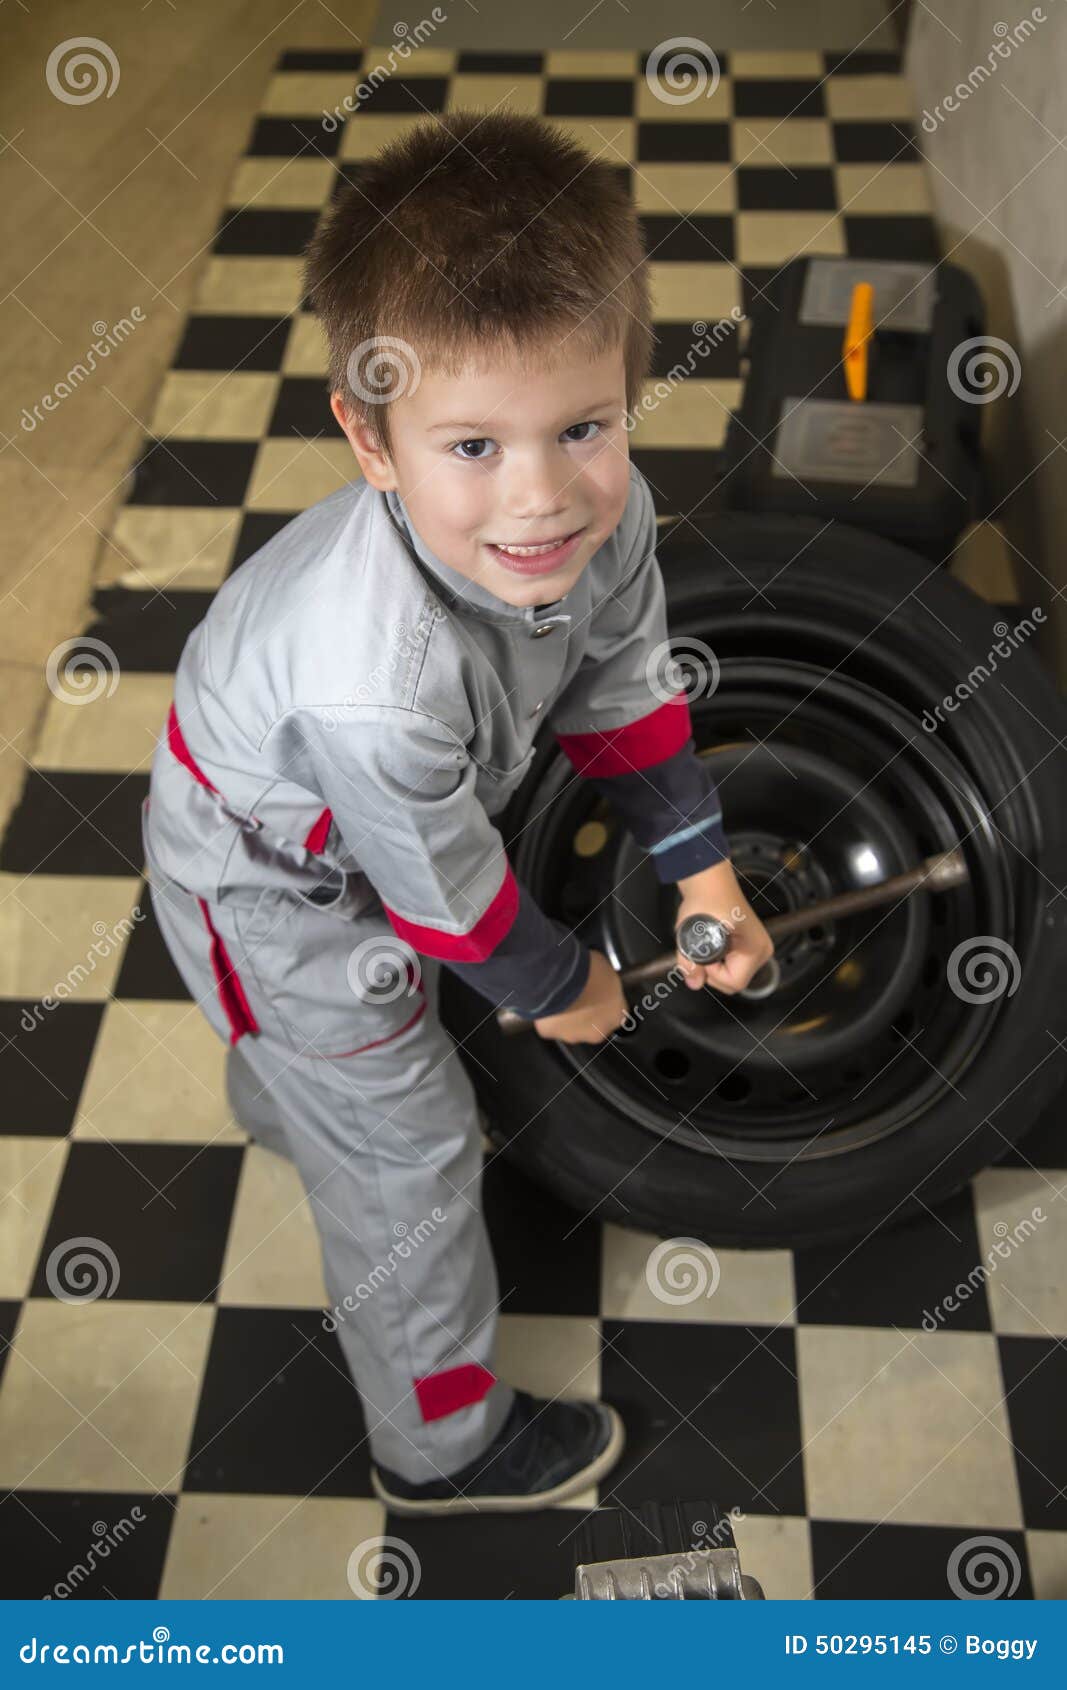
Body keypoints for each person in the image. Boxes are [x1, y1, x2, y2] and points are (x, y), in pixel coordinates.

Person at [142, 109, 774, 1517]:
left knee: (364, 1066)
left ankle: (304, 1095)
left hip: (384, 838)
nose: (542, 497)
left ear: (628, 397)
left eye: (583, 427)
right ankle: (441, 1446)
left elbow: (622, 686)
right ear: (369, 439)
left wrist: (704, 870)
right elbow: (446, 900)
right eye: (474, 444)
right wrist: (565, 988)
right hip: (271, 887)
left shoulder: (612, 515)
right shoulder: (374, 682)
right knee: (411, 1152)